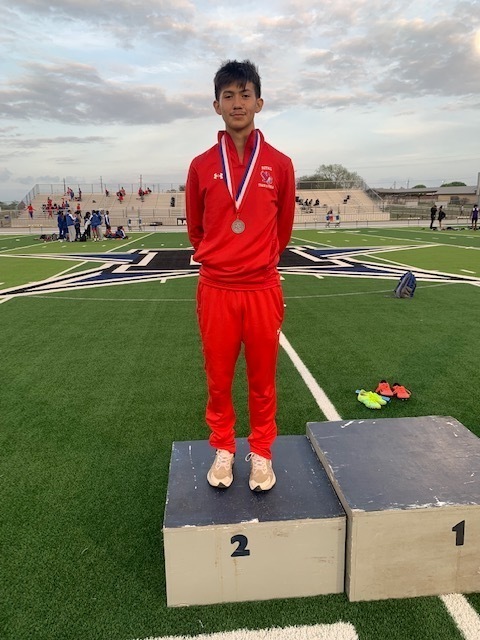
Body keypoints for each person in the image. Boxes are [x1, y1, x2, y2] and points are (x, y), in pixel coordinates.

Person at [186, 59, 295, 493]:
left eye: (244, 95)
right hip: (216, 288)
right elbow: (196, 228)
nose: (237, 103)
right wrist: (222, 258)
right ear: (216, 105)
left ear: (259, 103)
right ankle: (224, 448)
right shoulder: (200, 165)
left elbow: (283, 229)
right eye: (228, 95)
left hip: (262, 288)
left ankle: (262, 451)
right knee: (218, 380)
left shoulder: (280, 164)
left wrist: (256, 259)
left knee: (262, 380)